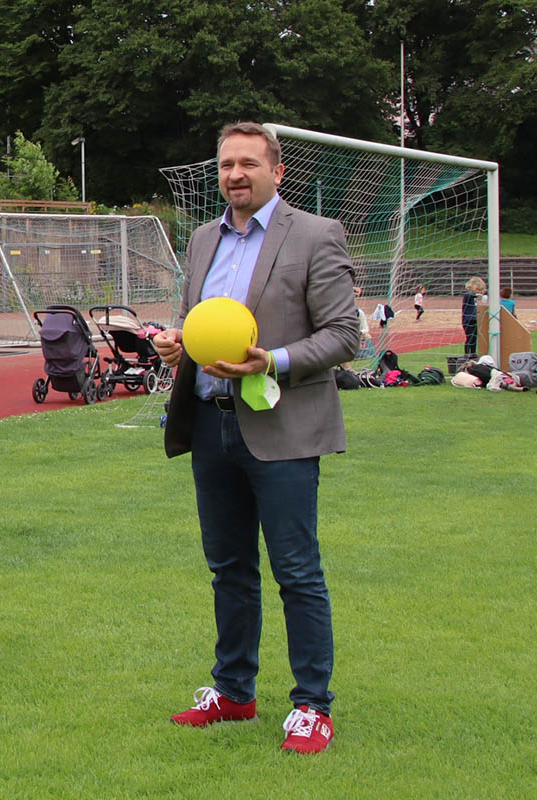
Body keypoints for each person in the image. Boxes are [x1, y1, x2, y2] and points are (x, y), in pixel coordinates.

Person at [152, 122, 359, 754]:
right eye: (224, 165)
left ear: (277, 171)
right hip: (211, 425)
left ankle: (311, 706)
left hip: (283, 425)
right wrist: (176, 342)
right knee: (228, 568)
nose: (234, 175)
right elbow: (201, 326)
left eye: (247, 163)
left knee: (297, 570)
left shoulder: (316, 235)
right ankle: (235, 692)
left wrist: (272, 360)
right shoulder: (202, 239)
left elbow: (344, 333)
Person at [462, 276, 486, 355]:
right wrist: (479, 295)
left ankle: (473, 353)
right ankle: (467, 354)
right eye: (478, 289)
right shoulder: (468, 295)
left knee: (474, 339)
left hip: (475, 319)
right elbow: (471, 295)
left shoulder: (474, 296)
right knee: (470, 338)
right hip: (468, 320)